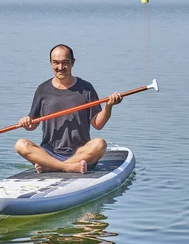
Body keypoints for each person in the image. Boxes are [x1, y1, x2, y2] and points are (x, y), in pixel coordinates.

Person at [15, 44, 123, 174]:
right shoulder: (42, 90)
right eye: (56, 63)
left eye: (65, 63)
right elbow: (32, 125)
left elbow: (98, 124)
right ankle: (67, 167)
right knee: (20, 145)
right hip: (49, 153)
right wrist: (26, 121)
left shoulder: (86, 88)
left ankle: (53, 167)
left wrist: (109, 106)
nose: (60, 67)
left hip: (80, 154)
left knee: (100, 144)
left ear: (73, 62)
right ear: (50, 63)